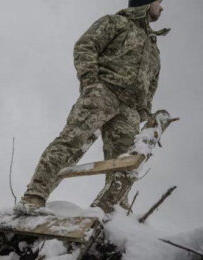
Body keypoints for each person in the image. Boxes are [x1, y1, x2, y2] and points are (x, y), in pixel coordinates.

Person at [16, 0, 169, 215]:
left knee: (124, 164)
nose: (161, 8)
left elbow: (152, 82)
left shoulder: (154, 47)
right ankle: (35, 195)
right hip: (103, 93)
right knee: (71, 141)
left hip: (129, 110)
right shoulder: (116, 22)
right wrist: (91, 83)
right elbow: (85, 45)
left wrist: (143, 110)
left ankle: (114, 213)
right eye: (159, 2)